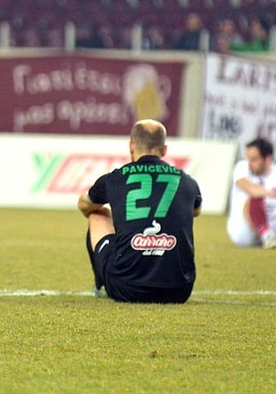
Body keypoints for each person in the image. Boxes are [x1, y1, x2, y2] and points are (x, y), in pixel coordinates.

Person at [77, 119, 202, 303]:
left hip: (126, 287)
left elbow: (84, 204)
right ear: (164, 150)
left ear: (131, 146)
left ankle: (101, 284)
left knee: (97, 214)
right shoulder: (188, 181)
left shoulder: (115, 179)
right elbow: (195, 211)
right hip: (179, 290)